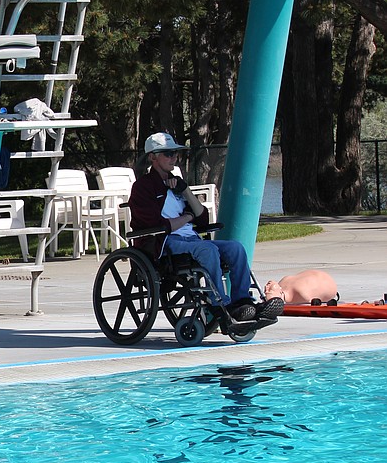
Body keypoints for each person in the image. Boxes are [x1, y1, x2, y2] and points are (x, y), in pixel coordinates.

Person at [127, 132, 282, 322]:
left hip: (190, 239)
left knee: (235, 248)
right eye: (167, 153)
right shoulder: (143, 187)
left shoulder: (177, 185)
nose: (173, 157)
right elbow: (158, 225)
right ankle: (221, 304)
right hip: (164, 243)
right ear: (152, 157)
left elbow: (202, 219)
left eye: (175, 153)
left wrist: (185, 190)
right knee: (207, 249)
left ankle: (242, 301)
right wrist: (187, 217)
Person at [264, 269, 338, 306]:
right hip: (328, 284)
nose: (266, 288)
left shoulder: (284, 282)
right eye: (270, 290)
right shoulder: (301, 293)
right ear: (279, 292)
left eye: (266, 290)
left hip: (322, 279)